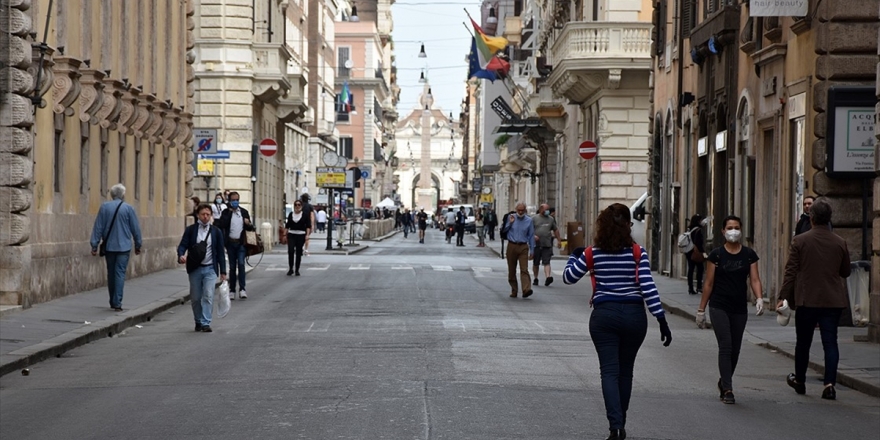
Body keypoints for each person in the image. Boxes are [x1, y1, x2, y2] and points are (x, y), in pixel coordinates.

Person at [562, 203, 672, 440]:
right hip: (634, 316)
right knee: (626, 372)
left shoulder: (593, 252)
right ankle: (620, 419)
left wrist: (574, 256)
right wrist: (660, 318)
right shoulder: (637, 252)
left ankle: (616, 427)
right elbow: (647, 287)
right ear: (627, 226)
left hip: (604, 316)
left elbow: (569, 277)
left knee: (609, 372)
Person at [778, 198, 851, 400]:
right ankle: (829, 384)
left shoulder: (800, 241)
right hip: (832, 301)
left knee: (803, 343)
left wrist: (783, 296)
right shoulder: (840, 242)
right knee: (830, 343)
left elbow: (790, 271)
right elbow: (845, 272)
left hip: (807, 300)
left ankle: (800, 380)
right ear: (829, 219)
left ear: (811, 218)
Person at [696, 215, 764, 405]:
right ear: (723, 231)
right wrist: (701, 310)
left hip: (739, 308)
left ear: (741, 230)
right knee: (725, 345)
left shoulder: (749, 254)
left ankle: (723, 380)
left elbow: (755, 279)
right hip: (719, 306)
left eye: (736, 227)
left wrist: (759, 297)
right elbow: (708, 283)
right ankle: (728, 389)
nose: (733, 231)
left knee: (735, 349)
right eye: (729, 228)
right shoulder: (716, 255)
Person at [90, 183, 143, 312]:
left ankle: (112, 300)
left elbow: (98, 227)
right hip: (124, 247)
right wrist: (138, 244)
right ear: (123, 195)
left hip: (109, 247)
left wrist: (94, 245)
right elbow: (135, 228)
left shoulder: (104, 207)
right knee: (120, 273)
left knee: (111, 273)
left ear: (112, 195)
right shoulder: (128, 209)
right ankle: (117, 302)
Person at [177, 204, 227, 332]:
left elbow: (220, 252)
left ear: (211, 216)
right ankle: (198, 320)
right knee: (195, 297)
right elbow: (183, 245)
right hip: (195, 269)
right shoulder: (191, 230)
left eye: (208, 214)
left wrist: (223, 271)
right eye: (203, 214)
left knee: (208, 295)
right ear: (198, 215)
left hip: (210, 269)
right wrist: (181, 255)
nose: (205, 217)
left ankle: (206, 322)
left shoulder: (216, 232)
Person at [215, 191, 254, 300]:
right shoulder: (226, 212)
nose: (235, 202)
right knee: (232, 267)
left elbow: (251, 228)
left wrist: (248, 224)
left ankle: (242, 289)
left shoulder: (244, 212)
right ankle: (232, 290)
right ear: (229, 201)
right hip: (230, 243)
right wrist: (230, 213)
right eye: (233, 200)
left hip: (241, 243)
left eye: (237, 200)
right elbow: (222, 224)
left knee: (241, 265)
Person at [505, 203, 535, 298]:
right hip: (512, 245)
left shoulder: (529, 220)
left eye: (522, 210)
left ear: (525, 210)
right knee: (512, 270)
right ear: (516, 209)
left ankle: (526, 289)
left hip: (523, 246)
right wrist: (510, 223)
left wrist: (532, 250)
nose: (520, 212)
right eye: (519, 210)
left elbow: (531, 235)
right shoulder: (511, 217)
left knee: (524, 269)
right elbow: (504, 230)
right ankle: (514, 290)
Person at [532, 203, 563, 286]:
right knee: (536, 263)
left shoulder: (551, 219)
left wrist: (559, 240)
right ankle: (535, 278)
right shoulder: (534, 218)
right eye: (546, 210)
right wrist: (533, 236)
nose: (548, 212)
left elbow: (555, 230)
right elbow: (529, 230)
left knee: (547, 261)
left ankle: (548, 277)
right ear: (541, 209)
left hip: (547, 244)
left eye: (548, 210)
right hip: (537, 244)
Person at [285, 200, 312, 276]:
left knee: (298, 252)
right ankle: (291, 269)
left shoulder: (305, 215)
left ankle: (297, 269)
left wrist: (307, 235)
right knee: (290, 251)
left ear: (301, 206)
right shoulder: (291, 214)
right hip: (291, 234)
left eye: (299, 205)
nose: (297, 206)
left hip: (301, 235)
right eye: (296, 205)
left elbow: (308, 226)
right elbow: (287, 225)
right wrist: (284, 234)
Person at [685, 214, 706, 295]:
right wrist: (703, 253)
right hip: (695, 252)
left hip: (688, 251)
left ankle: (690, 288)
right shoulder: (698, 230)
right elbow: (699, 243)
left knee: (691, 269)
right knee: (700, 268)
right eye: (700, 220)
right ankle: (699, 287)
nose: (701, 221)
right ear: (698, 221)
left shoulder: (689, 229)